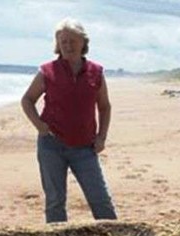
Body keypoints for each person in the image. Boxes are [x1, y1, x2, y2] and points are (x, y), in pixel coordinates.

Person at [21, 18, 117, 223]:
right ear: (57, 44)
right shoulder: (47, 71)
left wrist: (101, 137)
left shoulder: (95, 72)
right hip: (51, 146)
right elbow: (27, 100)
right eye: (63, 41)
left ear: (83, 42)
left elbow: (104, 106)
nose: (67, 45)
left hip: (85, 147)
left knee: (101, 200)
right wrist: (40, 126)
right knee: (55, 202)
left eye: (72, 41)